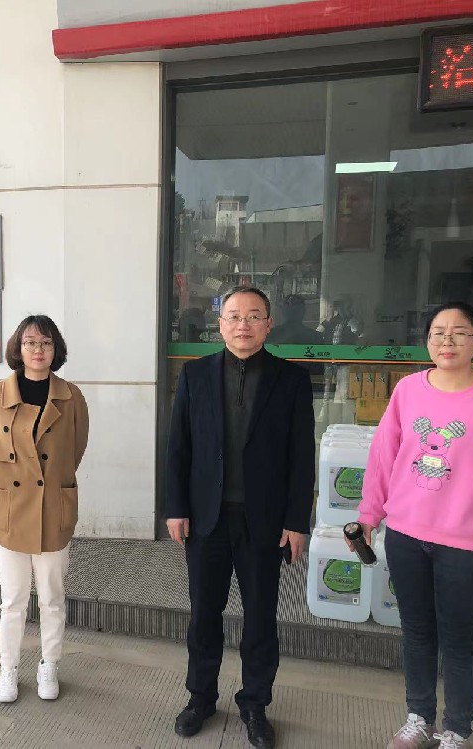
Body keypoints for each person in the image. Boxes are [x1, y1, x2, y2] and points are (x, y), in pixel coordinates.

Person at [352, 301, 473, 749]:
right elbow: (383, 457)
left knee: (458, 640)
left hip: (466, 544)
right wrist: (369, 513)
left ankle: (455, 729)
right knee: (416, 632)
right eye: (438, 332)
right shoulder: (408, 390)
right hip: (407, 536)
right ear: (427, 340)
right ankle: (418, 717)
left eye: (459, 332)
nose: (447, 341)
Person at [166, 286, 314, 747]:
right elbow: (178, 447)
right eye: (233, 316)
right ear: (220, 324)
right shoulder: (195, 375)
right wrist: (175, 508)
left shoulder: (291, 380)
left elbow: (301, 457)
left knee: (261, 619)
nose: (243, 325)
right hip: (206, 519)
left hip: (264, 522)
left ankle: (254, 704)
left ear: (268, 324)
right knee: (203, 615)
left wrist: (297, 521)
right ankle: (201, 697)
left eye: (253, 316)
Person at [0, 315, 89, 704]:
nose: (38, 350)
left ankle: (49, 665)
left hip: (52, 510)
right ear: (18, 348)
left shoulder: (71, 397)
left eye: (46, 343)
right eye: (30, 342)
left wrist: (52, 486)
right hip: (10, 509)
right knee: (12, 600)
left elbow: (74, 451)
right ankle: (8, 669)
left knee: (52, 597)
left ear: (56, 349)